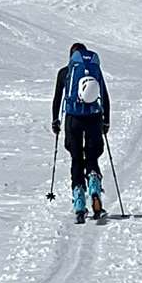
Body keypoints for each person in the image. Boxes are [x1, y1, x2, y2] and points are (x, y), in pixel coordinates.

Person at [51, 40, 110, 222]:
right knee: (92, 157)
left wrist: (56, 121)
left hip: (73, 120)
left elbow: (57, 99)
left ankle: (79, 202)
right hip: (93, 118)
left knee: (76, 159)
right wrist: (106, 122)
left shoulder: (65, 73)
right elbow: (105, 98)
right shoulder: (95, 70)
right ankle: (94, 185)